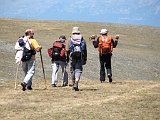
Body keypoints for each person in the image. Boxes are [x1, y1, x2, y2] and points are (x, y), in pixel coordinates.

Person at [66, 27, 87, 91]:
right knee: (78, 70)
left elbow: (67, 49)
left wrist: (67, 58)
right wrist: (85, 58)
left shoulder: (70, 38)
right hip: (80, 55)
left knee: (72, 70)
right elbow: (84, 49)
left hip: (72, 56)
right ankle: (76, 82)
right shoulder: (82, 38)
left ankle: (73, 84)